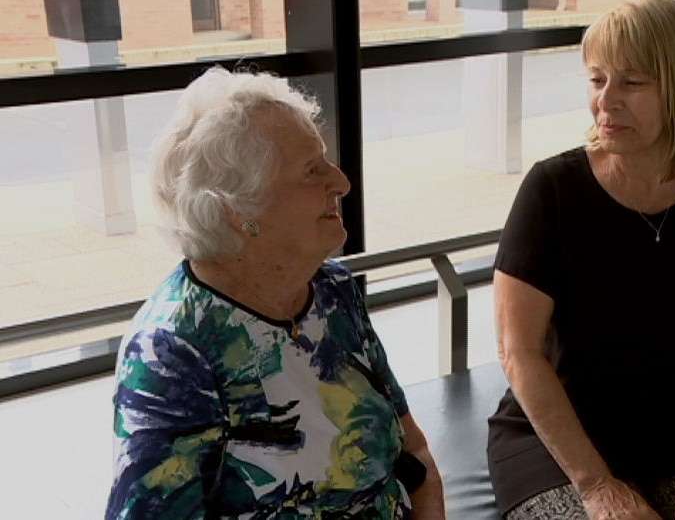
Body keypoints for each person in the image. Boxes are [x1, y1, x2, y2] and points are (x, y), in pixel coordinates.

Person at [105, 67, 445, 519]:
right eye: (311, 170)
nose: (341, 181)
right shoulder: (172, 353)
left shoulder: (332, 290)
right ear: (238, 209)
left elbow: (414, 454)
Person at [487, 0, 675, 520]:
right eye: (597, 81)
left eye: (632, 82)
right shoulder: (552, 189)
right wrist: (598, 487)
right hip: (556, 447)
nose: (606, 102)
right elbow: (518, 352)